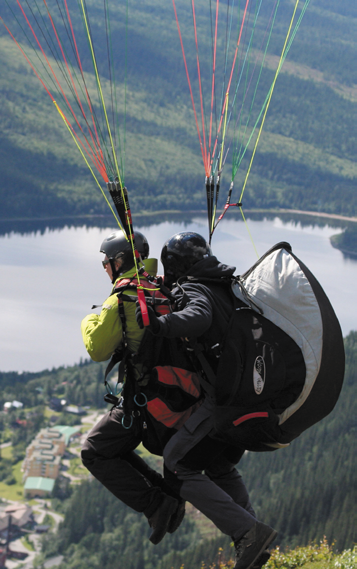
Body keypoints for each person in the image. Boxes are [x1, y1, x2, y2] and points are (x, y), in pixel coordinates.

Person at [135, 231, 277, 569]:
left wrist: (160, 324)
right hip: (249, 395)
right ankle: (253, 542)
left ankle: (247, 533)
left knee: (177, 463)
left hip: (225, 400)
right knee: (217, 466)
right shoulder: (227, 284)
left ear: (177, 266)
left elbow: (199, 316)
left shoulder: (197, 289)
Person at [80, 229, 186, 545]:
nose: (104, 268)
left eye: (106, 262)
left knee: (94, 451)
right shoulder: (156, 284)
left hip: (142, 399)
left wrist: (87, 321)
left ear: (120, 260)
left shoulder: (122, 296)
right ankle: (165, 497)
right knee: (112, 446)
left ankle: (159, 502)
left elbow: (97, 349)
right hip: (169, 391)